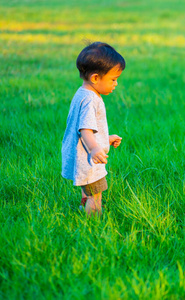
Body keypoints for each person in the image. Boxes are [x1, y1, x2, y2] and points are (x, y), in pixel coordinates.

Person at [62, 41, 125, 216]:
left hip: (81, 156)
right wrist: (95, 148)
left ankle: (83, 210)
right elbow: (85, 129)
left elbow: (85, 126)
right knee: (95, 196)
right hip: (88, 159)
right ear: (95, 78)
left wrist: (106, 139)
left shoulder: (81, 93)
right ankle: (93, 224)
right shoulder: (91, 99)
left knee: (88, 189)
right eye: (113, 79)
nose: (116, 84)